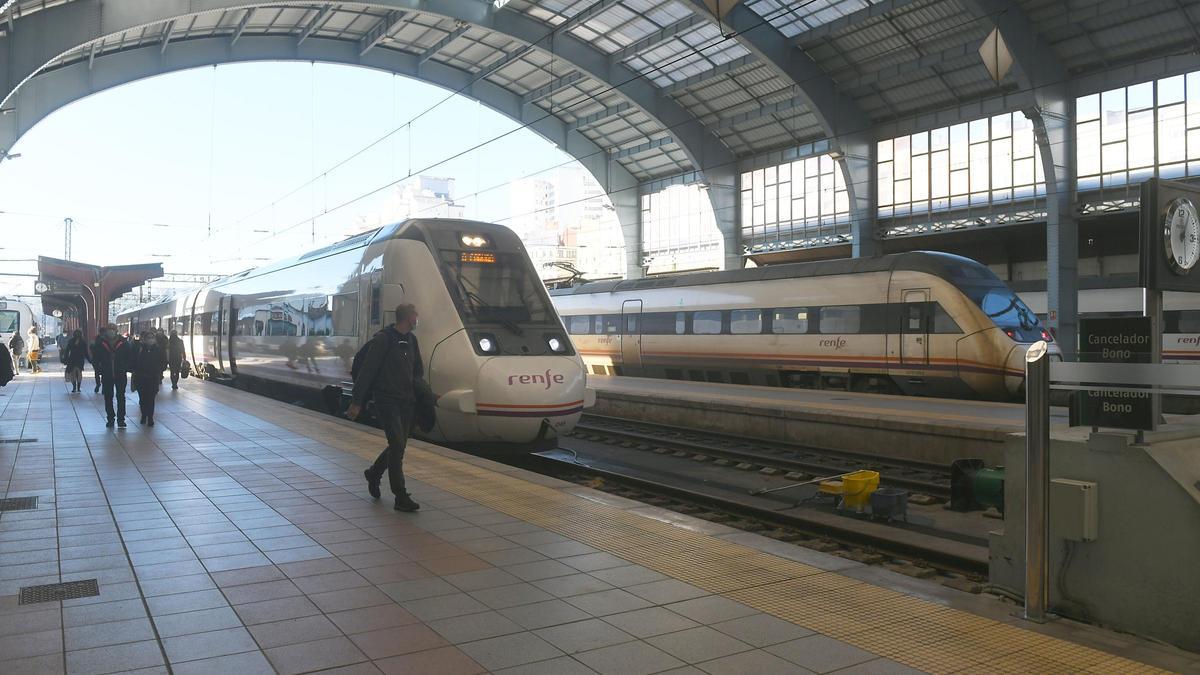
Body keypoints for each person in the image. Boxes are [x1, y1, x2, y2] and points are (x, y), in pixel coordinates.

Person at [348, 303, 425, 512]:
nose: (418, 318)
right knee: (397, 444)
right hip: (386, 401)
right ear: (409, 317)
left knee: (397, 445)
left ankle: (374, 473)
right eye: (416, 315)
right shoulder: (383, 339)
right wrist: (357, 402)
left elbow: (417, 371)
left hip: (407, 401)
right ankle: (400, 496)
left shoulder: (411, 340)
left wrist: (425, 396)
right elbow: (368, 371)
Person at [94, 325, 132, 428]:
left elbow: (129, 356)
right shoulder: (101, 343)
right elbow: (96, 359)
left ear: (116, 331)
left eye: (113, 330)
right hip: (107, 374)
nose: (111, 332)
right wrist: (99, 370)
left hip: (120, 374)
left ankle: (121, 419)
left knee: (121, 396)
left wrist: (125, 367)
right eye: (109, 330)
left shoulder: (123, 343)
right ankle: (110, 418)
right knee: (108, 397)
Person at [132, 330, 167, 426]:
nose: (150, 340)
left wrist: (158, 371)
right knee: (142, 399)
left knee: (151, 399)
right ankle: (144, 415)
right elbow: (133, 361)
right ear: (144, 339)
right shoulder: (139, 349)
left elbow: (164, 362)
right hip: (141, 378)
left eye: (152, 338)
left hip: (153, 378)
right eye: (148, 338)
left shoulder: (159, 349)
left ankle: (150, 417)